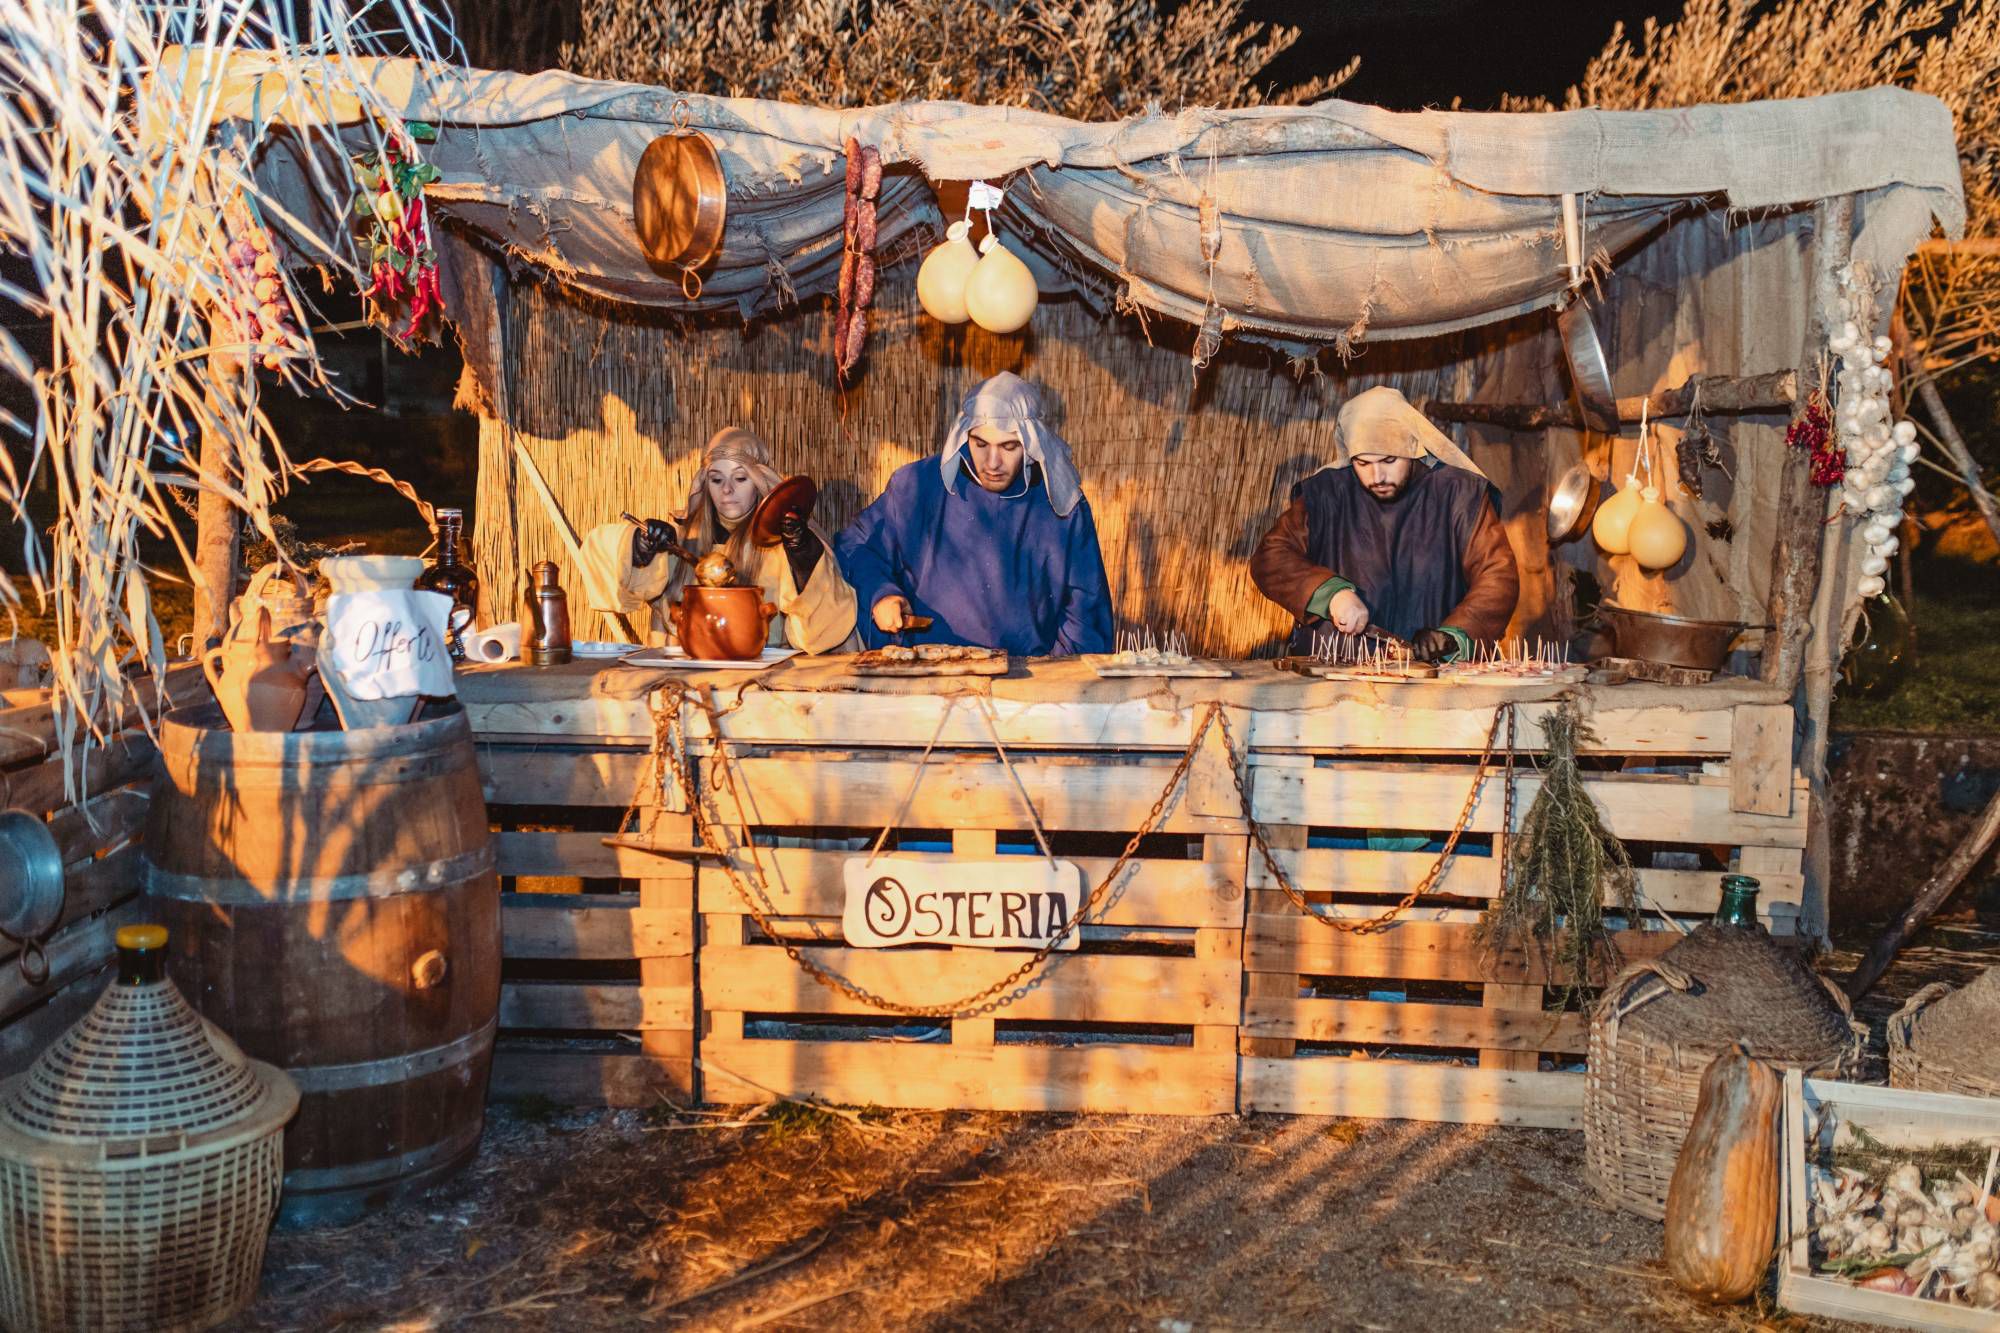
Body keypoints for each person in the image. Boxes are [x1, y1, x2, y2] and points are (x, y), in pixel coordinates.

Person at [835, 372, 1114, 656]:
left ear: (1031, 446)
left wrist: (1051, 682)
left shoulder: (1061, 506)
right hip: (927, 678)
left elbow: (1085, 614)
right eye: (980, 444)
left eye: (1009, 446)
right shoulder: (917, 487)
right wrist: (881, 594)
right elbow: (855, 545)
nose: (993, 463)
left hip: (1025, 682)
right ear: (964, 434)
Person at [1250, 385, 1518, 662]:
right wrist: (1331, 594)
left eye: (1389, 460)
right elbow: (1271, 558)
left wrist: (1453, 636)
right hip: (1336, 675)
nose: (1376, 475)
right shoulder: (1326, 493)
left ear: (1412, 446)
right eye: (1362, 463)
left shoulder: (1459, 493)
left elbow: (1497, 574)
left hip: (1434, 678)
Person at [579, 426, 857, 653]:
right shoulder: (683, 541)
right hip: (684, 682)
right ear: (705, 484)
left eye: (740, 478)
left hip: (763, 686)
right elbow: (599, 553)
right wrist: (640, 547)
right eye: (716, 480)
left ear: (759, 482)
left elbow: (825, 627)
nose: (727, 490)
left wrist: (802, 556)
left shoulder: (784, 547)